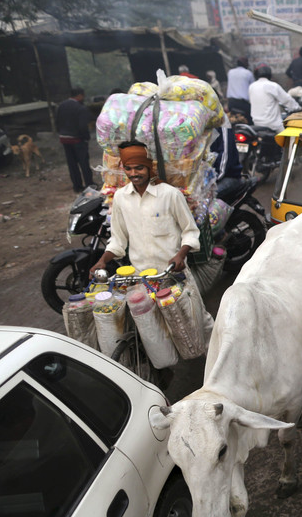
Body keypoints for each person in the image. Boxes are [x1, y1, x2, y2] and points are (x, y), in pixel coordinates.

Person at [90, 142, 213, 336]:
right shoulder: (121, 198)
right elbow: (118, 240)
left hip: (173, 274)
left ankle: (212, 356)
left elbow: (190, 231)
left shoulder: (170, 195)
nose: (134, 173)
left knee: (196, 321)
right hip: (141, 279)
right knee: (155, 329)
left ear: (149, 167)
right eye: (128, 168)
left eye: (139, 167)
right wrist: (102, 260)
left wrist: (181, 255)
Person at [55, 87, 94, 192]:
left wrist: (61, 133)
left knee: (72, 164)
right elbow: (83, 126)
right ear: (80, 95)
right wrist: (86, 138)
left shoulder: (61, 106)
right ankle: (89, 185)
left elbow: (57, 122)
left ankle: (77, 186)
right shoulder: (80, 108)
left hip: (64, 139)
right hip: (77, 139)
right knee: (84, 163)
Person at [248, 64, 300, 131]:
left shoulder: (252, 86)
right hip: (273, 125)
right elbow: (287, 100)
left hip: (257, 124)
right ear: (269, 74)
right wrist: (298, 108)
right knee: (291, 136)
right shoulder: (272, 86)